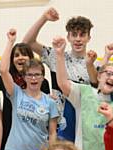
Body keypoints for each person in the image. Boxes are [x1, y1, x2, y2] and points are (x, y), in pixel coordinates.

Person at [0, 28, 60, 150]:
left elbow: (52, 132)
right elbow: (3, 70)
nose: (33, 78)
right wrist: (10, 42)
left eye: (37, 74)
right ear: (24, 77)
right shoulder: (16, 93)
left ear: (42, 76)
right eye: (30, 75)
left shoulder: (50, 102)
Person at [23, 7, 93, 142]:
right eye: (74, 34)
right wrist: (44, 18)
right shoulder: (55, 56)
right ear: (68, 37)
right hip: (59, 126)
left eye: (82, 34)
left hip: (84, 127)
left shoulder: (93, 64)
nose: (78, 39)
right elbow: (27, 43)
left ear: (88, 37)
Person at [0, 41, 52, 150]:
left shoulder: (43, 84)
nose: (21, 58)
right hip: (10, 136)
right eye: (16, 55)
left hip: (35, 137)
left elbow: (47, 114)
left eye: (24, 54)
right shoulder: (7, 81)